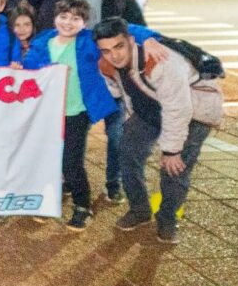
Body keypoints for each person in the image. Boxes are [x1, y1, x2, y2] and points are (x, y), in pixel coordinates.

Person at [94, 18, 224, 244]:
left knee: (174, 169)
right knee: (127, 150)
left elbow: (179, 109)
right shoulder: (107, 65)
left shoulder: (160, 62)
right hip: (152, 107)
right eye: (106, 51)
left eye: (119, 46)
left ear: (131, 41)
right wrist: (129, 119)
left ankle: (167, 219)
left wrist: (171, 151)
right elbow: (127, 92)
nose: (114, 55)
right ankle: (140, 210)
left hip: (194, 110)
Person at [23, 0, 118, 231]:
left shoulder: (89, 41)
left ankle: (82, 205)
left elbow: (126, 30)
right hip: (48, 112)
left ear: (84, 23)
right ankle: (48, 201)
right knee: (47, 158)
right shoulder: (43, 41)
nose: (68, 22)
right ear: (55, 18)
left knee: (71, 162)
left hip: (76, 111)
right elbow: (29, 70)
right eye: (63, 16)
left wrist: (151, 40)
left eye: (76, 18)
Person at [62, 0, 147, 203]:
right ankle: (71, 177)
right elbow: (49, 23)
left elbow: (139, 26)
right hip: (79, 76)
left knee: (117, 133)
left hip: (113, 75)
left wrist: (151, 40)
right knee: (75, 134)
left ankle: (113, 183)